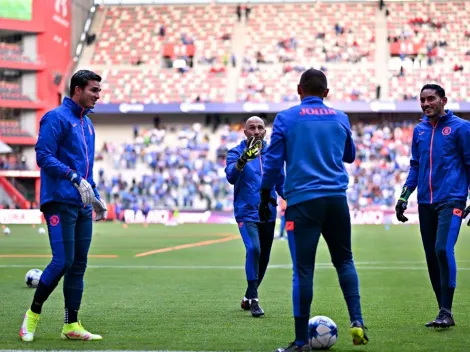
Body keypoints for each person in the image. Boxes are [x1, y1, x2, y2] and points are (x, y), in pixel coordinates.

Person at [258, 68, 368, 352]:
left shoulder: (286, 118)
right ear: (326, 93)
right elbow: (350, 156)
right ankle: (357, 321)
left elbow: (271, 165)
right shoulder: (340, 117)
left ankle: (299, 342)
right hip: (336, 199)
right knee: (345, 260)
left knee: (303, 270)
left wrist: (264, 194)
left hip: (303, 202)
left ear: (299, 89)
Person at [19, 70, 108, 342]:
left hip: (81, 204)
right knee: (62, 261)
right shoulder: (55, 118)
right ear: (78, 89)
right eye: (94, 90)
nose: (98, 95)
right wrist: (73, 177)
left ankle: (71, 325)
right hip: (58, 201)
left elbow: (87, 168)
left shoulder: (88, 125)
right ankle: (32, 316)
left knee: (78, 265)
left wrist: (95, 196)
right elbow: (43, 156)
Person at [395, 84, 470, 328]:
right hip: (425, 202)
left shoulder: (461, 128)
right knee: (430, 256)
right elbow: (415, 165)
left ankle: (446, 311)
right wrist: (405, 195)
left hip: (452, 199)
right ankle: (444, 312)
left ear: (443, 100)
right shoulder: (419, 130)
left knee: (441, 249)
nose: (426, 104)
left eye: (431, 99)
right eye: (422, 100)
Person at [225, 116, 285, 318]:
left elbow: (281, 183)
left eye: (260, 127)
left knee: (265, 258)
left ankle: (247, 295)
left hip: (267, 212)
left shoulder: (274, 154)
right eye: (252, 128)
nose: (257, 131)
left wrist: (295, 200)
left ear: (265, 132)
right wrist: (243, 159)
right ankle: (255, 301)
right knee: (254, 248)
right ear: (245, 132)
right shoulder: (235, 152)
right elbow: (231, 177)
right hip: (246, 212)